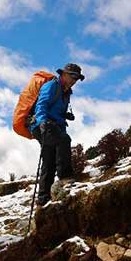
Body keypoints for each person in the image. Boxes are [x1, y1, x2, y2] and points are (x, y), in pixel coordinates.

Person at [29, 63, 84, 205]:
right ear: (63, 74)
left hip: (53, 125)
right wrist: (42, 122)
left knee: (49, 161)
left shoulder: (66, 92)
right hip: (43, 125)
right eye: (72, 76)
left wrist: (65, 115)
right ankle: (65, 177)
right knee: (64, 140)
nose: (74, 80)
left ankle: (43, 199)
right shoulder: (51, 86)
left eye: (76, 78)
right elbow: (41, 105)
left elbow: (56, 110)